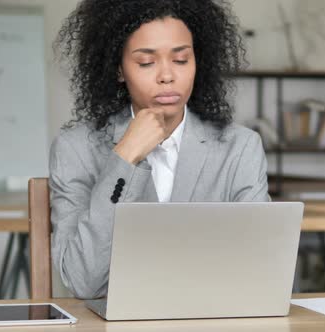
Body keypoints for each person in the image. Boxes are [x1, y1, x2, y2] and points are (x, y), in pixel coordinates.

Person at [49, 0, 270, 299]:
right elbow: (83, 282)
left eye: (181, 60)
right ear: (118, 69)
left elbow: (262, 265)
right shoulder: (76, 149)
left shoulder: (240, 147)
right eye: (146, 63)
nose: (167, 76)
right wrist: (125, 157)